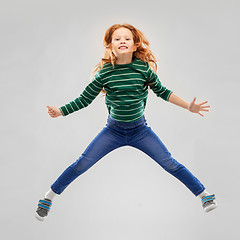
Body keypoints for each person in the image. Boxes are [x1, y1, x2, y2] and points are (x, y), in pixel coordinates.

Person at [35, 23, 217, 221]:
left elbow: (163, 92)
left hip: (140, 131)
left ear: (135, 45)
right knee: (82, 164)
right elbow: (84, 99)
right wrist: (61, 110)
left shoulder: (143, 69)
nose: (122, 41)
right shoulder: (105, 73)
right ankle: (48, 197)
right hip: (113, 131)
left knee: (169, 163)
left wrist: (188, 106)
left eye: (127, 39)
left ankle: (204, 195)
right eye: (117, 39)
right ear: (110, 45)